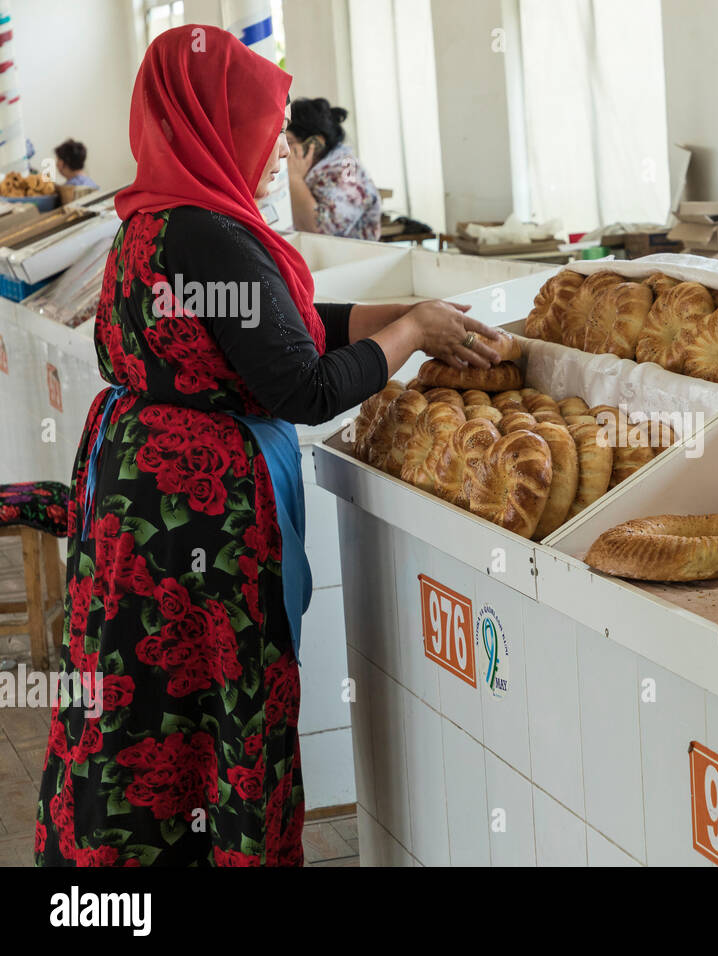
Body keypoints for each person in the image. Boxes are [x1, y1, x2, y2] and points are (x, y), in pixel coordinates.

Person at [35, 26, 507, 867]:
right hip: (201, 529)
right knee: (220, 711)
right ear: (216, 120)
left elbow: (269, 333)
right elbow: (304, 386)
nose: (277, 147)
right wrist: (410, 331)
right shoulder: (212, 233)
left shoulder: (154, 217)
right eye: (264, 123)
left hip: (142, 507)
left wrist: (390, 321)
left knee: (149, 711)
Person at [286, 97, 381, 240]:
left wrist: (294, 180)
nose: (284, 150)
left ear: (315, 144)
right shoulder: (316, 171)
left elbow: (323, 230)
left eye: (289, 142)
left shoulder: (347, 170)